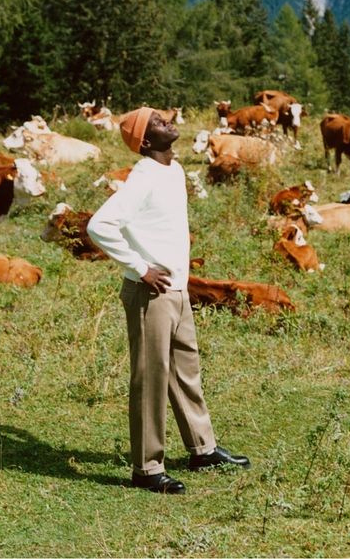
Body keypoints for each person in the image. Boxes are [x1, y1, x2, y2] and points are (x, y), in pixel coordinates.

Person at [87, 107, 250, 494]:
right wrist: (140, 267)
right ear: (145, 142)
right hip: (150, 292)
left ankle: (202, 448)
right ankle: (146, 468)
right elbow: (98, 225)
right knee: (150, 378)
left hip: (175, 288)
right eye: (158, 122)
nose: (168, 120)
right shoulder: (143, 177)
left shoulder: (173, 169)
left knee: (185, 368)